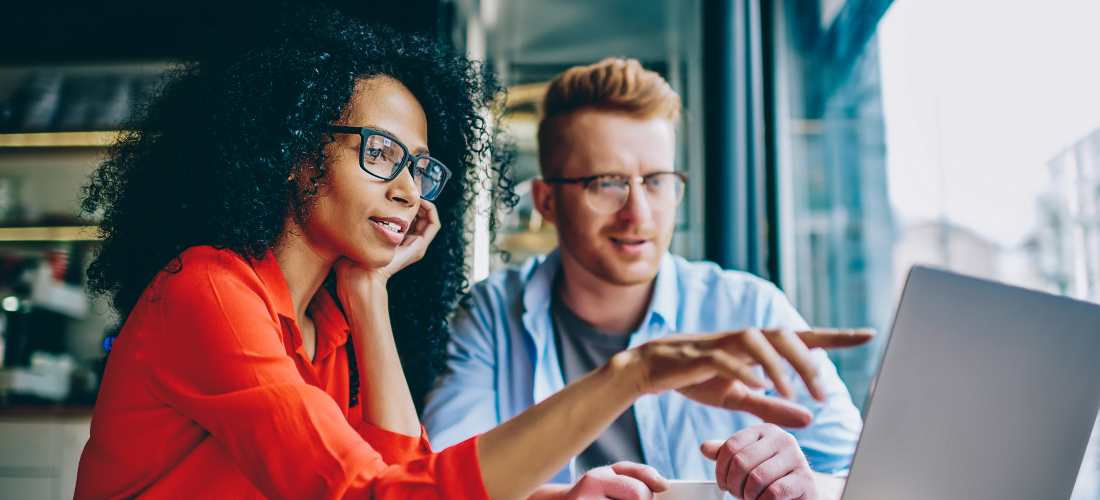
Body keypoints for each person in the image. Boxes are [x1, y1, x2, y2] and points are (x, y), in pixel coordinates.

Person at [75, 9, 870, 499]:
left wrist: (371, 296)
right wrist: (633, 374)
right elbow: (380, 498)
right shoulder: (211, 293)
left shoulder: (330, 324)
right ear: (291, 151)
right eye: (381, 152)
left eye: (421, 168)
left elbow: (400, 475)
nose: (410, 191)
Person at [422, 58, 869, 500]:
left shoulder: (751, 309)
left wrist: (810, 484)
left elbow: (866, 477)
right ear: (547, 200)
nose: (638, 213)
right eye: (606, 183)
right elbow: (440, 484)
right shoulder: (491, 315)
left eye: (656, 181)